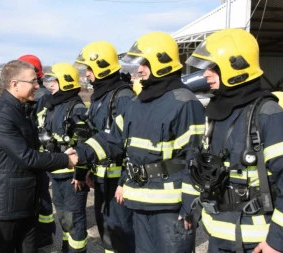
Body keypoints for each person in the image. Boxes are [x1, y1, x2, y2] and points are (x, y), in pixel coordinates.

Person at [74, 32, 206, 253]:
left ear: (161, 62)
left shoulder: (184, 102)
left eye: (144, 63)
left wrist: (191, 205)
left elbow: (193, 158)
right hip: (139, 200)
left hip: (169, 207)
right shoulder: (137, 102)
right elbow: (117, 142)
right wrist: (79, 155)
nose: (138, 69)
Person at [185, 28, 283, 253]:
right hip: (219, 236)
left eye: (213, 68)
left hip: (257, 243)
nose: (206, 75)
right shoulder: (217, 113)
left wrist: (277, 242)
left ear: (236, 66)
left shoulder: (268, 115)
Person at [0, 60, 78, 253]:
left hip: (25, 202)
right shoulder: (2, 116)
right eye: (33, 81)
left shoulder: (21, 109)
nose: (37, 86)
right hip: (6, 205)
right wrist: (65, 160)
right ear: (14, 84)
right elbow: (27, 157)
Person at [74, 41, 136, 253]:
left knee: (121, 232)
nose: (87, 74)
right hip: (102, 177)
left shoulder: (123, 96)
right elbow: (94, 136)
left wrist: (124, 182)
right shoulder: (100, 96)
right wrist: (88, 171)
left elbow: (132, 144)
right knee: (106, 229)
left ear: (102, 67)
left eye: (89, 69)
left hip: (117, 181)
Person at [39, 62, 89, 253]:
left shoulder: (76, 108)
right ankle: (67, 248)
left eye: (55, 81)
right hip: (56, 172)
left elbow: (85, 143)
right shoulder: (54, 105)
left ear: (66, 83)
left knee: (75, 218)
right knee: (64, 215)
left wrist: (81, 172)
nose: (51, 85)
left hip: (71, 176)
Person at [18, 54, 55, 248]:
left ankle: (43, 234)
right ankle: (46, 232)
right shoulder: (44, 95)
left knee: (40, 193)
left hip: (37, 152)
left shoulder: (36, 97)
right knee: (42, 193)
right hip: (41, 151)